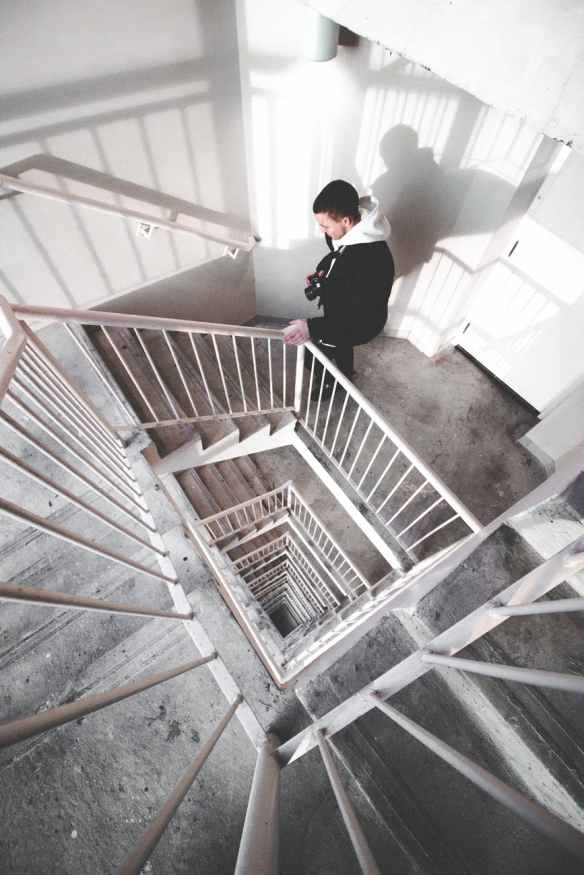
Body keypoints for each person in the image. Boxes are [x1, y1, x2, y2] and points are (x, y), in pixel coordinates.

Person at [283, 179, 394, 396]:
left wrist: (311, 327)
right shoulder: (350, 230)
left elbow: (357, 318)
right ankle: (346, 374)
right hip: (341, 311)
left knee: (313, 356)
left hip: (362, 322)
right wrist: (322, 275)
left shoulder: (373, 262)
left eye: (325, 226)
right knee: (340, 345)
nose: (322, 230)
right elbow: (337, 255)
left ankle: (329, 384)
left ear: (345, 220)